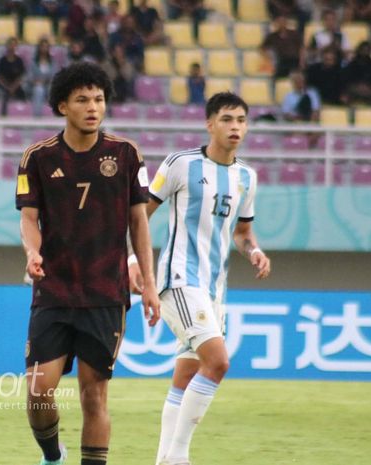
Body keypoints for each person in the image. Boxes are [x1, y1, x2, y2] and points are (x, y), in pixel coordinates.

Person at [15, 62, 160, 465]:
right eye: (82, 99)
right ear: (62, 106)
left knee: (93, 395)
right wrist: (32, 252)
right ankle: (52, 455)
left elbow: (139, 223)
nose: (93, 107)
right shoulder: (37, 158)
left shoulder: (126, 154)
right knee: (39, 389)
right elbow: (28, 218)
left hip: (105, 293)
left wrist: (149, 283)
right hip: (54, 291)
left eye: (98, 99)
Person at [129, 92, 271, 465]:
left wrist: (254, 251)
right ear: (209, 124)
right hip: (178, 279)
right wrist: (132, 261)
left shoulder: (246, 177)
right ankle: (178, 457)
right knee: (219, 362)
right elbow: (138, 215)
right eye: (226, 119)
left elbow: (242, 232)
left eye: (241, 120)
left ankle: (163, 459)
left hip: (213, 289)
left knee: (188, 373)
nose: (235, 127)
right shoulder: (180, 164)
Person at [0, 37, 26, 115]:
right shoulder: (1, 61)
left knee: (23, 95)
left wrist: (13, 87)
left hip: (15, 86)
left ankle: (21, 115)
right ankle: (4, 116)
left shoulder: (19, 61)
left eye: (14, 45)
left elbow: (20, 76)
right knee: (4, 94)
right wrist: (7, 87)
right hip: (3, 86)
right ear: (7, 46)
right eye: (10, 44)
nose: (12, 46)